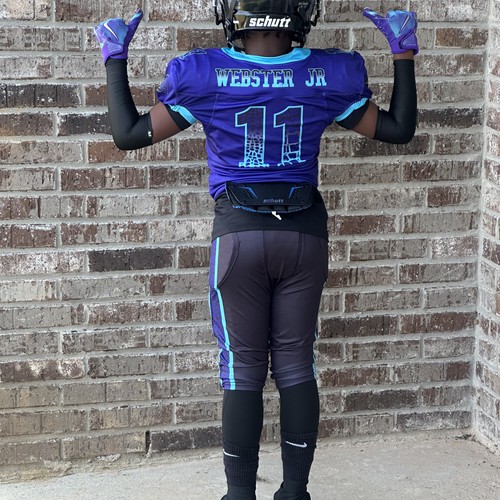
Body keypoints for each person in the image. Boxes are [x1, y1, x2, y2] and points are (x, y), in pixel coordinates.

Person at [94, 2, 418, 499]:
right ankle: (295, 492)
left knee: (242, 369)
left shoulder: (204, 74)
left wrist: (116, 57)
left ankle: (240, 494)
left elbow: (128, 134)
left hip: (239, 237)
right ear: (299, 15)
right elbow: (398, 129)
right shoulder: (328, 74)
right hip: (304, 236)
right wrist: (403, 52)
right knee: (296, 364)